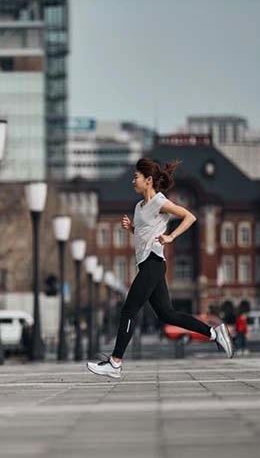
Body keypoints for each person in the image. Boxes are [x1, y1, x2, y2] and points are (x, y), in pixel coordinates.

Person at [87, 158, 234, 379]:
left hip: (154, 263)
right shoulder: (139, 207)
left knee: (129, 310)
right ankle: (214, 333)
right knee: (167, 314)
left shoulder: (159, 201)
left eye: (136, 177)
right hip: (147, 263)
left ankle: (115, 362)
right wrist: (133, 229)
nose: (132, 180)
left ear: (148, 180)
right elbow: (144, 233)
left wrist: (171, 236)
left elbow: (190, 216)